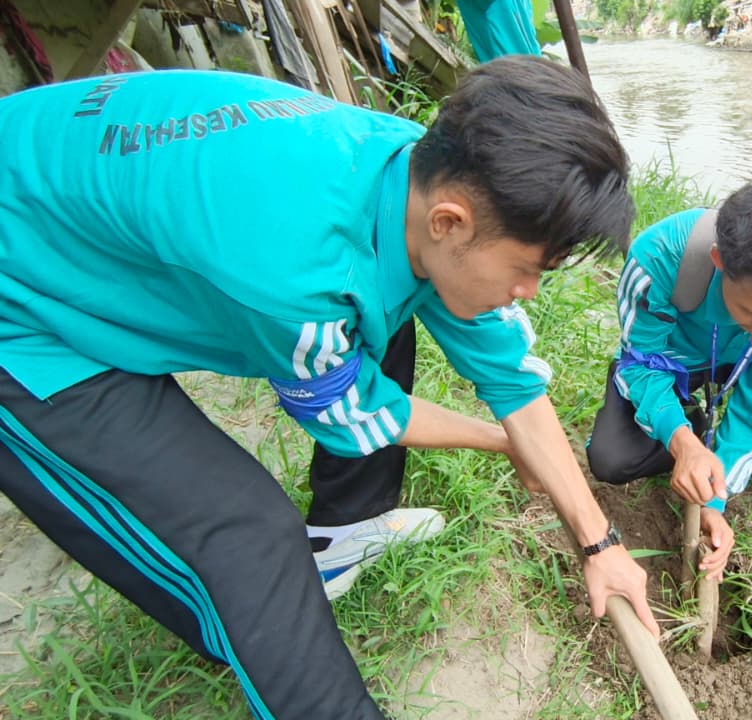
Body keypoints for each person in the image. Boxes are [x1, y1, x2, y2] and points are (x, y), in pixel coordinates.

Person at [0, 56, 658, 720]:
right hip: (16, 303)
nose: (528, 293)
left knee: (388, 307)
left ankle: (343, 532)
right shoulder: (297, 276)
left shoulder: (409, 173)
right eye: (524, 270)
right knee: (244, 540)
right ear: (451, 223)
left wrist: (598, 544)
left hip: (68, 187)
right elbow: (353, 412)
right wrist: (498, 441)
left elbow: (512, 380)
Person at [586, 172, 752, 580]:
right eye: (750, 312)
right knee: (611, 457)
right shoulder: (659, 258)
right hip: (678, 361)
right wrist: (681, 441)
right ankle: (694, 430)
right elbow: (642, 362)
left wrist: (716, 501)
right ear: (720, 261)